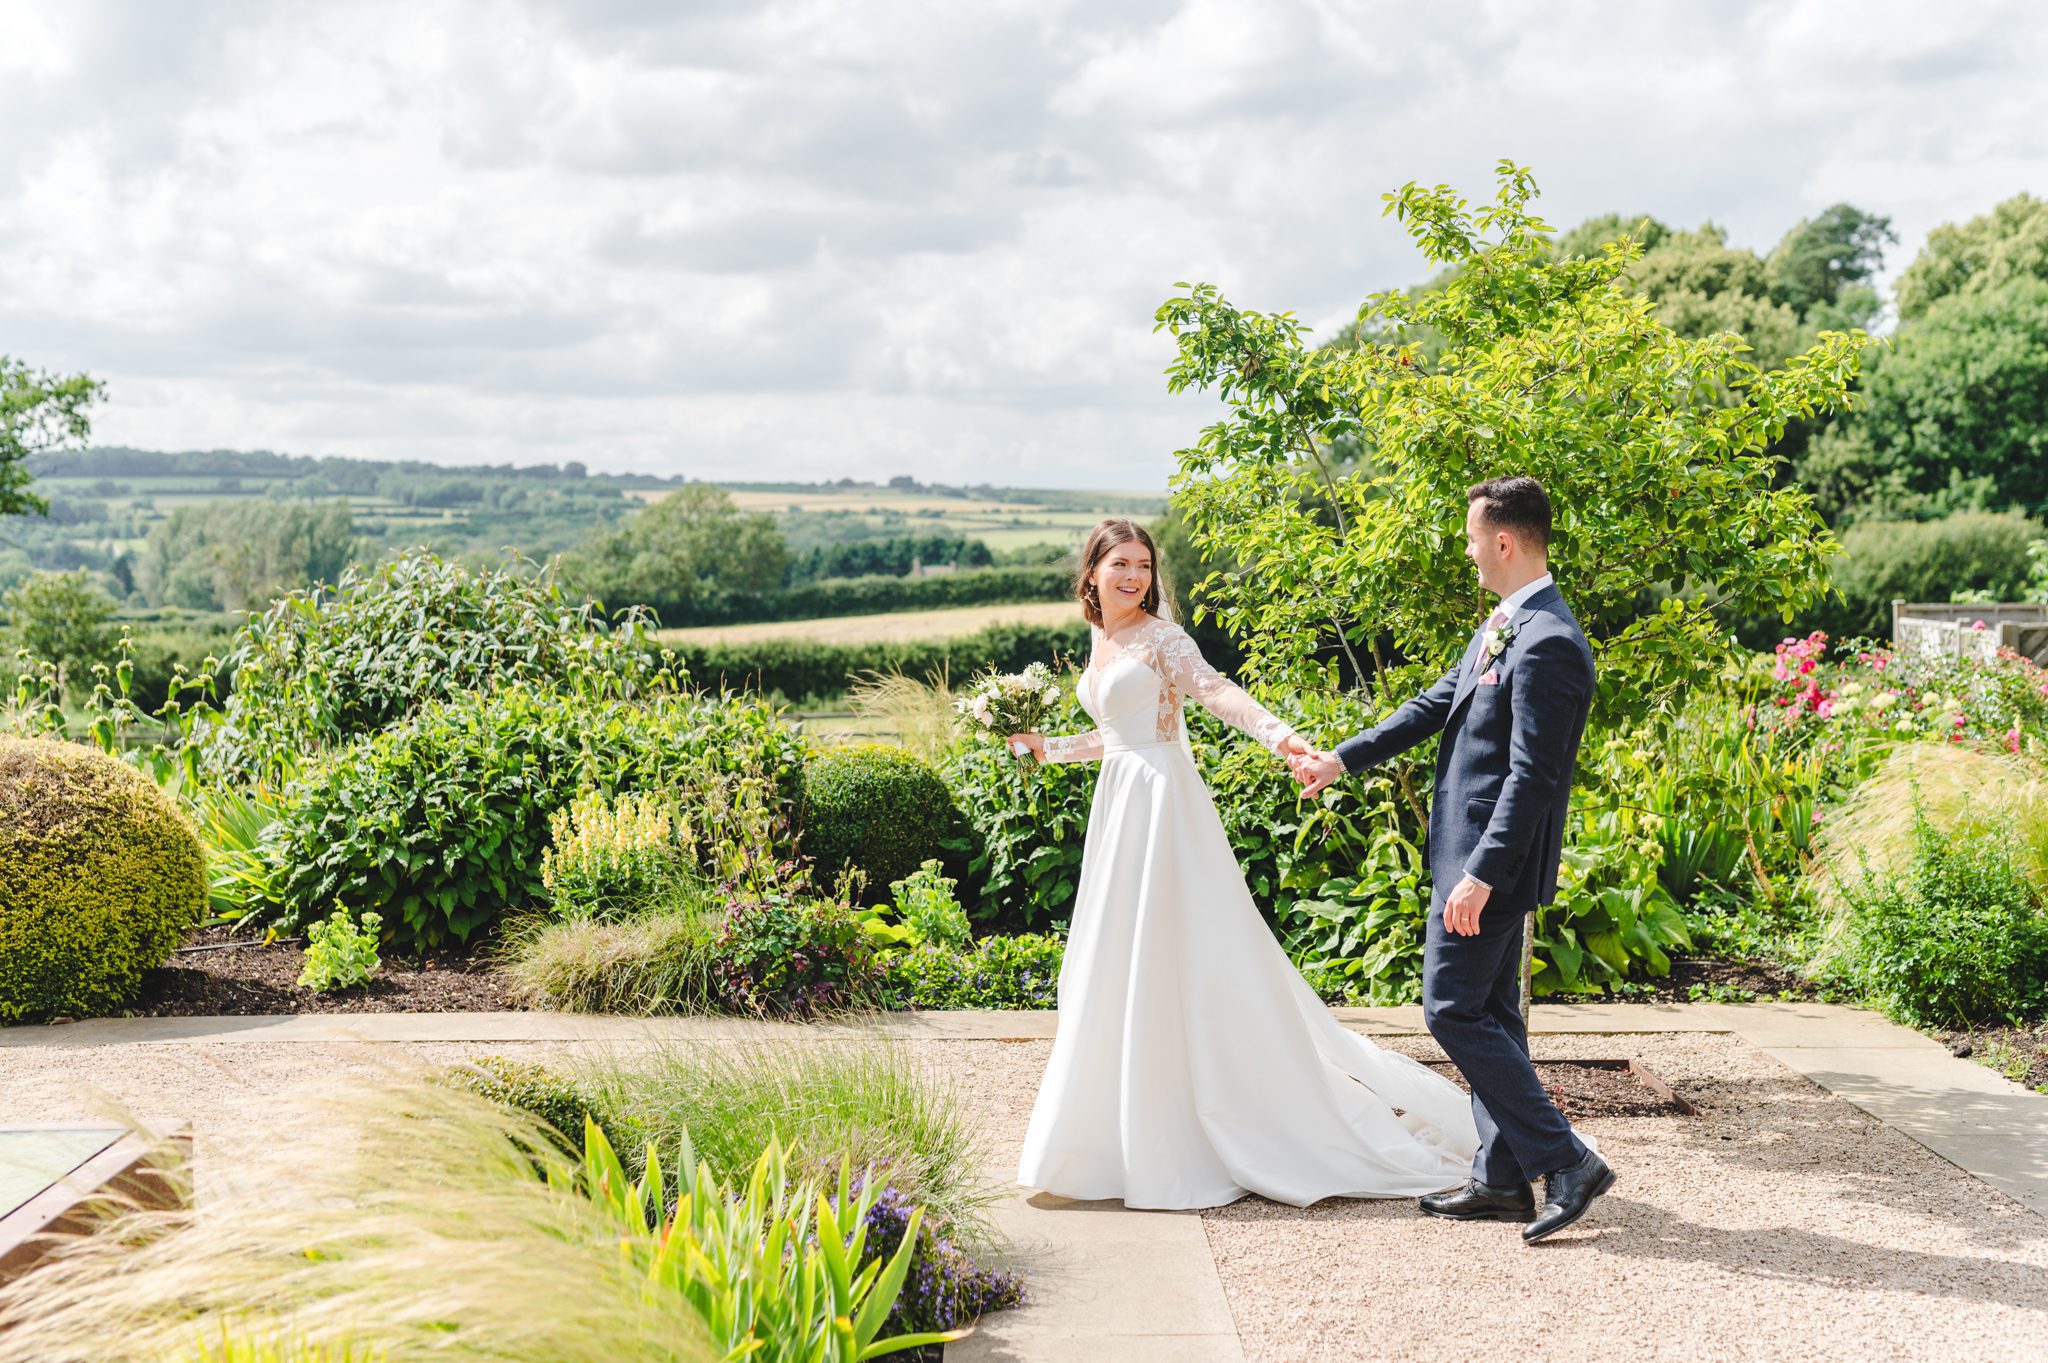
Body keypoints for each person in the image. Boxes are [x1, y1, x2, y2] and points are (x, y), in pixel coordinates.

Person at [1007, 518, 1477, 1211]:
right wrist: (1051, 749)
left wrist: (1283, 737)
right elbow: (1116, 737)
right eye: (1121, 565)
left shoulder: (1163, 637)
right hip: (1121, 806)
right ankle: (1116, 1131)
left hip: (1164, 807)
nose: (1134, 576)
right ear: (1093, 574)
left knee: (1185, 956)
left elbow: (1215, 691)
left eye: (1143, 565)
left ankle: (1211, 1123)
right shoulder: (1102, 638)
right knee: (1120, 960)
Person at [1290, 475, 1612, 1243]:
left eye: (1472, 538)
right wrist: (1341, 757)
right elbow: (1437, 703)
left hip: (1488, 865)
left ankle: (1567, 1161)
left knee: (1450, 1008)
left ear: (1504, 540)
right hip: (1468, 856)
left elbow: (1534, 777)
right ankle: (1502, 1178)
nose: (1466, 551)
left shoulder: (1551, 642)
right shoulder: (1506, 623)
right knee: (1493, 1011)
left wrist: (1481, 873)